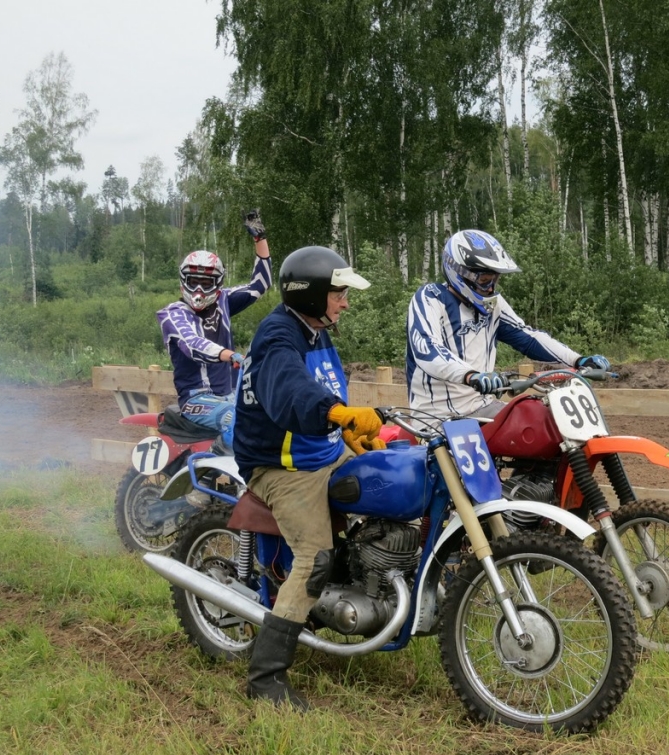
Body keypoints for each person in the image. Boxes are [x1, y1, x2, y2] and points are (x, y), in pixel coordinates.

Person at [232, 245, 383, 710]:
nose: (345, 302)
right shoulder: (277, 335)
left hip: (322, 451)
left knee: (394, 481)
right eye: (339, 293)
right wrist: (335, 413)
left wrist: (359, 437)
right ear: (313, 294)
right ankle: (266, 677)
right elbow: (291, 392)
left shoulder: (318, 332)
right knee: (314, 556)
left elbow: (326, 388)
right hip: (281, 466)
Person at [406, 229, 611, 421]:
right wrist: (470, 376)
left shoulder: (493, 304)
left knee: (545, 423)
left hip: (484, 406)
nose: (491, 288)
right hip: (437, 418)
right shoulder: (430, 297)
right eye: (485, 280)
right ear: (460, 273)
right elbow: (427, 348)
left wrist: (578, 359)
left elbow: (528, 338)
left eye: (495, 280)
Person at [156, 210, 272, 450]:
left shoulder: (224, 301)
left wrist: (260, 238)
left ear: (217, 284)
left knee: (272, 413)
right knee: (239, 421)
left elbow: (260, 285)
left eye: (206, 282)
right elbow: (192, 344)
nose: (199, 288)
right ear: (182, 281)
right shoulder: (173, 313)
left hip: (231, 392)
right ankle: (210, 468)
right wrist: (229, 355)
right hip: (197, 399)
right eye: (193, 280)